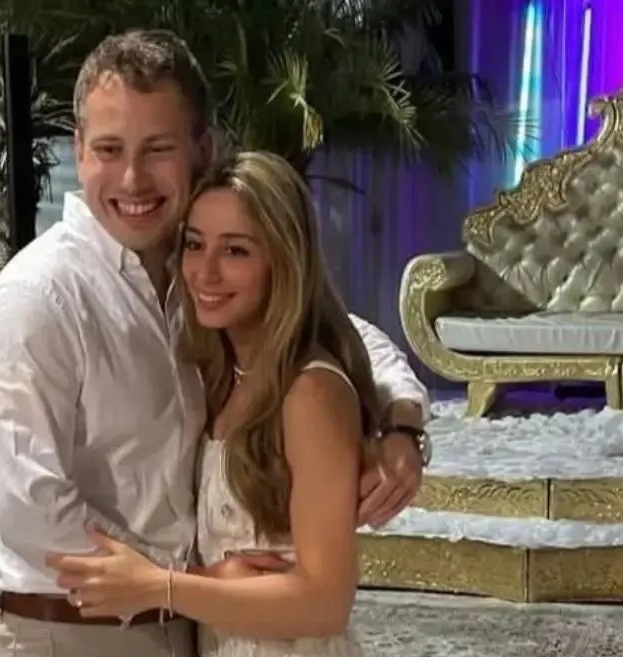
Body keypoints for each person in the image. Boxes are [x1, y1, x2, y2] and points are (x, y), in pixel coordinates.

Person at [0, 29, 429, 657]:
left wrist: (402, 426)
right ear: (79, 150)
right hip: (70, 635)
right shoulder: (36, 298)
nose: (132, 178)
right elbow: (35, 512)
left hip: (193, 623)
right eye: (109, 149)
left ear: (203, 151)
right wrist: (183, 583)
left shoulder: (195, 274)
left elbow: (340, 334)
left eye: (158, 149)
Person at [49, 150, 384, 657]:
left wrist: (160, 587)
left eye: (235, 251)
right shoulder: (215, 371)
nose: (205, 273)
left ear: (283, 261)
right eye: (194, 245)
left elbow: (325, 602)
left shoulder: (310, 393)